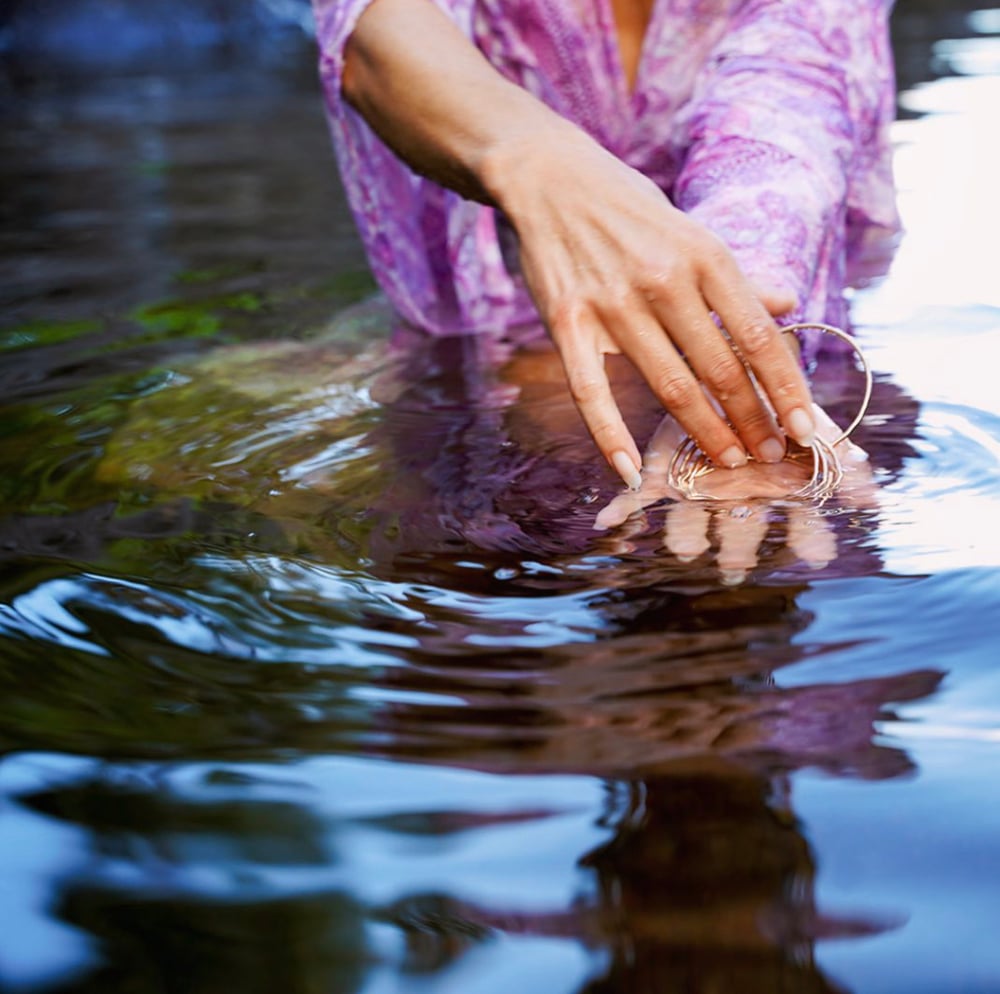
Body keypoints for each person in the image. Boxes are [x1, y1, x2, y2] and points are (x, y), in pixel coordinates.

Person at [310, 0, 899, 490]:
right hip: (517, 309)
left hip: (774, 284)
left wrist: (737, 324)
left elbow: (790, 96)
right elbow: (373, 36)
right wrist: (537, 164)